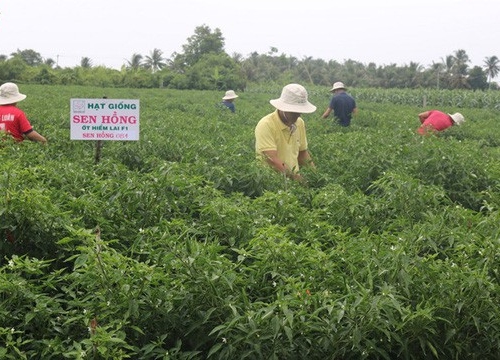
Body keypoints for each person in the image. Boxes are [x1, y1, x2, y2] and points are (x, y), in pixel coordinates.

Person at [255, 83, 316, 181]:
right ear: (282, 108)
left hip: (292, 181)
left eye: (300, 112)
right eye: (294, 112)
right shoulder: (266, 124)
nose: (298, 115)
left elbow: (302, 154)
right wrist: (296, 178)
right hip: (270, 182)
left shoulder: (299, 123)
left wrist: (316, 175)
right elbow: (272, 160)